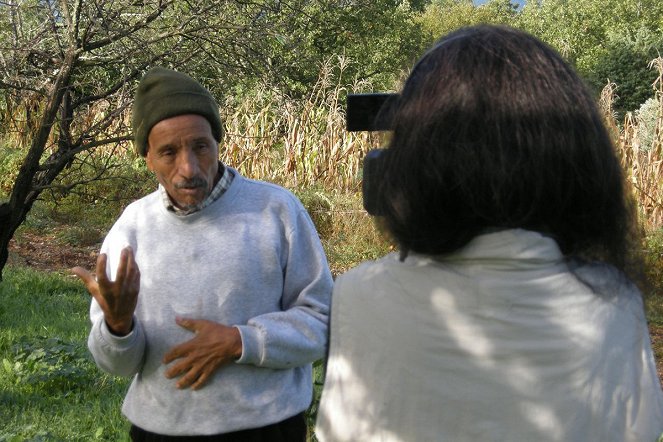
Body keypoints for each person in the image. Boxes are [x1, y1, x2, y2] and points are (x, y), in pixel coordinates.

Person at [315, 25, 663, 441]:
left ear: (403, 172)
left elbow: (341, 432)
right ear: (578, 168)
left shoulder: (359, 295)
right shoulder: (613, 301)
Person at [72, 67, 333, 441]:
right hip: (160, 430)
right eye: (168, 152)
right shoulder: (132, 229)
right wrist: (117, 326)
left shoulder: (275, 211)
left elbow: (322, 322)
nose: (189, 168)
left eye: (200, 147)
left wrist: (240, 341)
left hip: (267, 428)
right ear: (147, 157)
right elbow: (116, 364)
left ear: (217, 142)